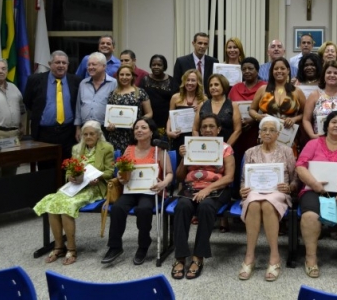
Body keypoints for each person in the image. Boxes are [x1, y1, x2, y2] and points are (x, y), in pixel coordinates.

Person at [34, 121, 114, 265]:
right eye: (85, 134)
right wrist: (69, 177)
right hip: (76, 185)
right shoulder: (77, 149)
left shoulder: (107, 148)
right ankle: (59, 247)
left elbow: (109, 172)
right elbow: (70, 170)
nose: (88, 137)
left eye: (92, 134)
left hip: (94, 187)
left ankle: (71, 249)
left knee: (67, 206)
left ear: (98, 135)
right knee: (52, 202)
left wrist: (98, 176)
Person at [296, 110, 337, 279]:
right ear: (326, 125)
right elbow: (300, 166)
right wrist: (314, 184)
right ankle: (311, 258)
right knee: (310, 216)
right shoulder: (313, 144)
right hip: (314, 189)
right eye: (334, 122)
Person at [171, 114, 236, 280]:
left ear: (218, 129)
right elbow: (179, 176)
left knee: (206, 206)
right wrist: (183, 159)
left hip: (217, 189)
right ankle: (180, 256)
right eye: (204, 127)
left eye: (211, 126)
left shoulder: (225, 148)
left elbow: (229, 177)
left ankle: (198, 257)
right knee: (182, 207)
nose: (207, 130)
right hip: (191, 188)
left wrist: (208, 189)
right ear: (199, 130)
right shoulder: (191, 146)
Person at [102, 118, 173, 266]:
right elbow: (121, 172)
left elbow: (169, 173)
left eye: (144, 128)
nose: (139, 130)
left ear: (151, 132)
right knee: (117, 208)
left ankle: (143, 245)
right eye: (136, 128)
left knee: (144, 209)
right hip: (131, 189)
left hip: (151, 191)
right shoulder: (129, 150)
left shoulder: (159, 150)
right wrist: (121, 177)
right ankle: (115, 247)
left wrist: (164, 183)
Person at [238, 116, 298, 282]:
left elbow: (295, 178)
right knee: (254, 202)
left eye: (272, 130)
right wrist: (242, 190)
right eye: (264, 129)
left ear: (278, 134)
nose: (268, 133)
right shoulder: (250, 152)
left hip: (278, 192)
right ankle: (249, 256)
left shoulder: (287, 151)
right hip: (255, 192)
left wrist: (290, 187)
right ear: (259, 133)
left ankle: (274, 256)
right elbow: (244, 179)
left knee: (267, 203)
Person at [23, 51, 82, 164]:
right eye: (57, 62)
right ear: (50, 64)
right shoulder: (35, 80)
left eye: (64, 63)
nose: (61, 65)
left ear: (68, 65)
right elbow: (28, 102)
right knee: (46, 169)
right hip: (44, 134)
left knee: (68, 168)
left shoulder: (76, 81)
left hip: (68, 133)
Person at [249, 58, 306, 138]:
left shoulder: (297, 91)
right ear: (272, 71)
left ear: (288, 70)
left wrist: (294, 119)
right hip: (266, 135)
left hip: (289, 136)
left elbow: (306, 114)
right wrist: (257, 116)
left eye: (282, 68)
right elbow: (252, 109)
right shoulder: (263, 89)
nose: (279, 71)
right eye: (276, 69)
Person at [105, 65, 153, 152]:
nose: (124, 77)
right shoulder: (112, 94)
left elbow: (149, 113)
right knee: (117, 161)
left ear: (132, 76)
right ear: (118, 76)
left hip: (134, 134)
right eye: (121, 74)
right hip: (115, 136)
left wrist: (138, 122)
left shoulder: (140, 92)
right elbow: (108, 116)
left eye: (127, 75)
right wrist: (109, 126)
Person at [302, 61, 337, 140]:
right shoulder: (314, 95)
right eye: (329, 72)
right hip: (319, 141)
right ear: (324, 76)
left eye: (336, 73)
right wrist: (312, 135)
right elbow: (306, 119)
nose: (332, 75)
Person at [228, 58, 267, 158]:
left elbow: (269, 109)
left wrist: (254, 119)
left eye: (250, 68)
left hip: (258, 131)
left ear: (257, 70)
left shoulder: (265, 87)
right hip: (238, 133)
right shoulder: (235, 88)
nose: (247, 71)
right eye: (244, 69)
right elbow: (228, 108)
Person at [74, 52, 117, 141]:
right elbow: (78, 107)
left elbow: (117, 106)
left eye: (94, 64)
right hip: (85, 129)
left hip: (105, 130)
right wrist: (78, 128)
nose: (90, 67)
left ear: (104, 66)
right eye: (89, 65)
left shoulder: (114, 83)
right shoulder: (83, 83)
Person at [166, 69, 206, 161]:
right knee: (178, 166)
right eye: (187, 80)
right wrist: (168, 132)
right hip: (178, 137)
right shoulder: (175, 97)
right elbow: (170, 117)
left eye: (193, 80)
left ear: (198, 82)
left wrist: (200, 110)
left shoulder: (204, 99)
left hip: (195, 137)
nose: (190, 83)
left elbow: (207, 120)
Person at [193, 74, 242, 147]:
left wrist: (225, 148)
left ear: (223, 86)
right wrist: (199, 145)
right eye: (210, 85)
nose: (213, 87)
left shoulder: (232, 105)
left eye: (216, 85)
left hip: (226, 148)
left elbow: (237, 130)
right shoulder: (202, 105)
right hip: (205, 148)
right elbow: (195, 129)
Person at [139, 54, 178, 139]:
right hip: (148, 120)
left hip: (165, 120)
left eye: (159, 65)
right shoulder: (144, 80)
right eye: (154, 65)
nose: (156, 67)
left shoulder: (172, 81)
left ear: (164, 66)